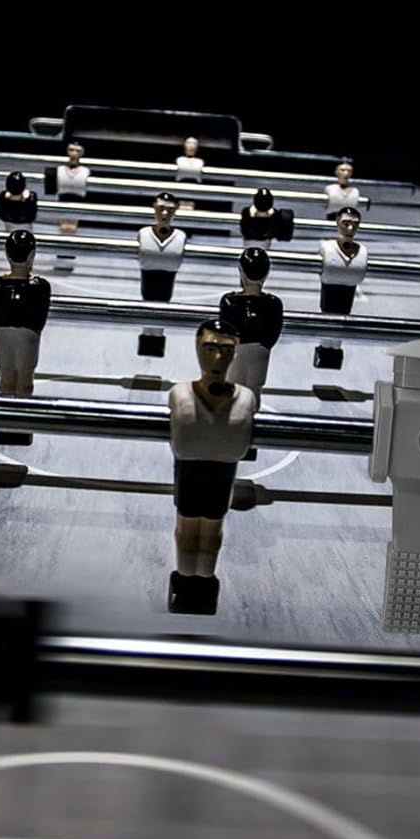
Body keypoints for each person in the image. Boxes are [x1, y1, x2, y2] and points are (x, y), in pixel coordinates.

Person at [167, 319, 258, 613]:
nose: (217, 357)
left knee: (210, 534)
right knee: (187, 531)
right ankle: (185, 580)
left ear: (236, 353)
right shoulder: (180, 394)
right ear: (197, 349)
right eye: (209, 348)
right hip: (192, 471)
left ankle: (204, 582)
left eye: (226, 350)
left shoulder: (245, 397)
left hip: (220, 472)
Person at [0, 229, 51, 399]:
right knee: (25, 381)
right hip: (28, 338)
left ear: (7, 255)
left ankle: (6, 412)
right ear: (32, 255)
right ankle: (22, 412)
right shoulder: (41, 287)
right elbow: (40, 318)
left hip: (3, 336)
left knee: (6, 379)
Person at [217, 247, 284, 394]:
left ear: (241, 271)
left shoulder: (229, 302)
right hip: (260, 355)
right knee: (254, 393)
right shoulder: (274, 304)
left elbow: (224, 332)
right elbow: (274, 333)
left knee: (234, 394)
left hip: (236, 355)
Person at [137, 191, 188, 302]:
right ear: (154, 207)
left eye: (170, 209)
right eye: (161, 208)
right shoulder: (144, 233)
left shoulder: (180, 236)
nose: (165, 213)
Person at [318, 206, 368, 313]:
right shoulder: (328, 247)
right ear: (337, 222)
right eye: (345, 224)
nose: (350, 228)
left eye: (355, 224)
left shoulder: (361, 250)